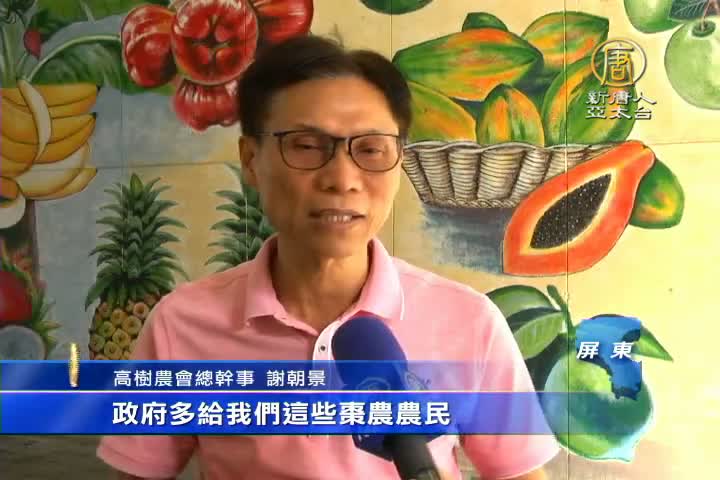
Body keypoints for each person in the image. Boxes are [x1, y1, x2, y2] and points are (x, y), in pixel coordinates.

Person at [97, 34, 560, 480]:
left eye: (371, 149)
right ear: (251, 159)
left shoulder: (469, 321)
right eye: (305, 145)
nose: (342, 178)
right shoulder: (181, 325)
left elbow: (518, 474)